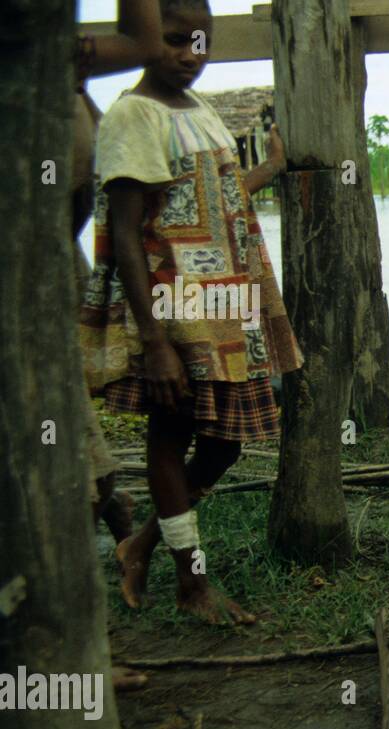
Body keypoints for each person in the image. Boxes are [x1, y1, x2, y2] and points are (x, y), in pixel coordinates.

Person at [80, 0, 302, 623]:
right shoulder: (133, 116)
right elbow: (125, 234)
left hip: (225, 309)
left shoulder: (200, 112)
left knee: (227, 442)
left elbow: (213, 196)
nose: (188, 56)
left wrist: (268, 170)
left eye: (199, 43)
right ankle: (192, 581)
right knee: (171, 435)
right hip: (174, 309)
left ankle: (141, 543)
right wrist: (154, 342)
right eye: (175, 41)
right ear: (149, 39)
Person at [74, 2, 165, 548]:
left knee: (61, 418)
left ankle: (98, 501)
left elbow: (143, 42)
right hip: (48, 256)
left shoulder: (49, 63)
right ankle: (104, 499)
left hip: (51, 258)